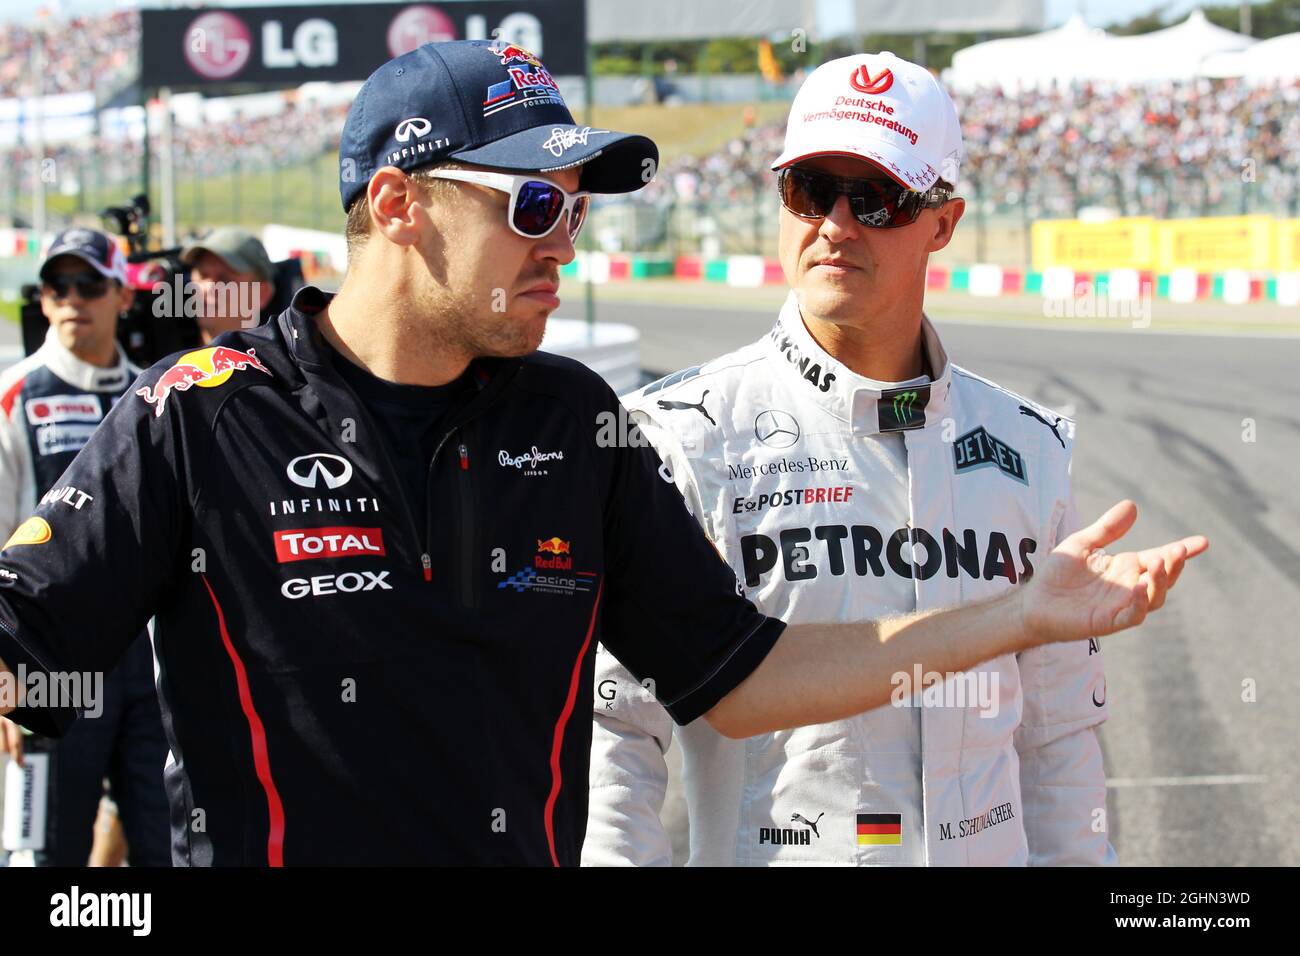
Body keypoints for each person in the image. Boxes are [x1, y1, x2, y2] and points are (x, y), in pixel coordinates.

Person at [0, 41, 1204, 866]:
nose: (564, 244)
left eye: (577, 208)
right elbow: (21, 649)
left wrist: (1018, 614)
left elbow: (745, 676)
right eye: (534, 205)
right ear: (402, 203)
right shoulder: (197, 413)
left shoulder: (574, 419)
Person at [582, 52, 1167, 867]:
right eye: (812, 189)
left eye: (877, 197)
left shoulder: (1031, 447)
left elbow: (1058, 744)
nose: (836, 224)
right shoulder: (681, 435)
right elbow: (613, 739)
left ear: (943, 221)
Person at [0, 227, 170, 866]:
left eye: (89, 284)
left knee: (169, 849)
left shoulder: (159, 396)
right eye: (57, 285)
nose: (73, 298)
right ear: (42, 300)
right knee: (44, 854)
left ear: (123, 295)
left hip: (150, 670)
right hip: (49, 668)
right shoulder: (16, 395)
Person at [180, 226, 278, 342]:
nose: (209, 288)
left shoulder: (274, 359)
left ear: (262, 294)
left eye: (225, 280)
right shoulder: (162, 349)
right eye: (203, 275)